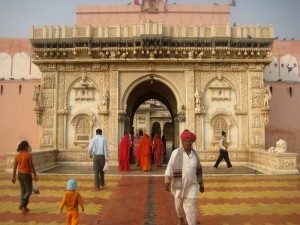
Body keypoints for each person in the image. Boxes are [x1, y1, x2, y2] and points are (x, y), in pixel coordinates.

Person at [165, 130, 204, 225]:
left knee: (191, 207)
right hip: (178, 185)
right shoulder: (175, 153)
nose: (187, 143)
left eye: (189, 141)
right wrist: (167, 181)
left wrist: (201, 184)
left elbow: (199, 170)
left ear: (192, 142)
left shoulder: (195, 155)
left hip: (192, 186)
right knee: (178, 207)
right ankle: (180, 217)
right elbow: (170, 167)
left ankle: (192, 223)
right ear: (182, 142)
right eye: (185, 140)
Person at [12, 140, 38, 214]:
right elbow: (31, 166)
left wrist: (13, 177)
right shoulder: (28, 155)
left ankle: (24, 207)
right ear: (25, 147)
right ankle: (22, 203)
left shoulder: (17, 155)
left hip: (19, 174)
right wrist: (35, 175)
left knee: (23, 191)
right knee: (29, 191)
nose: (29, 147)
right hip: (26, 175)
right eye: (28, 146)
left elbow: (15, 167)